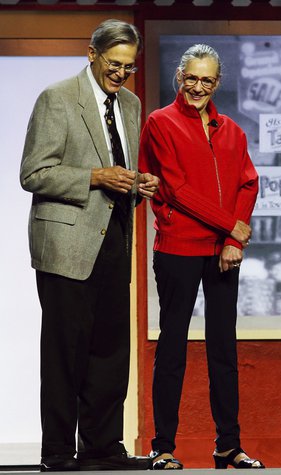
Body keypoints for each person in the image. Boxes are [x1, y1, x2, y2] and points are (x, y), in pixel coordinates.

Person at [20, 19, 159, 472]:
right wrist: (94, 178)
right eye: (114, 64)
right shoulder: (58, 99)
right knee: (65, 352)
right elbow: (34, 174)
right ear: (92, 54)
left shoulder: (132, 105)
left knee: (110, 351)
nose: (121, 73)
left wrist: (139, 184)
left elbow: (121, 166)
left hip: (115, 241)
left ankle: (102, 447)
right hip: (65, 244)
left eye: (129, 67)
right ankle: (58, 452)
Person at [138, 44, 263, 470]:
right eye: (191, 78)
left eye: (206, 80)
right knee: (172, 346)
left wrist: (234, 241)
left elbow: (248, 183)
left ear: (217, 83)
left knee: (224, 349)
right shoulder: (160, 122)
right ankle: (163, 447)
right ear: (178, 76)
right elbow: (175, 188)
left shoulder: (232, 130)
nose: (197, 87)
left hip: (223, 253)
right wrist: (232, 226)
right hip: (178, 248)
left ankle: (229, 445)